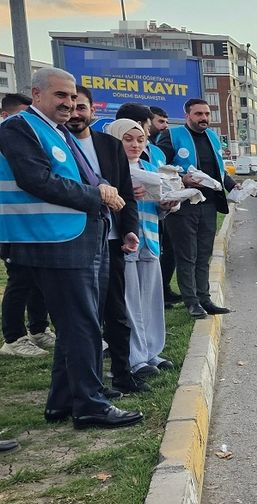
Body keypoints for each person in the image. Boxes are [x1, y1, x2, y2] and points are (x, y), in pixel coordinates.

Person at [0, 67, 143, 429]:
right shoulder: (20, 127)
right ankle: (90, 405)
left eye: (72, 97)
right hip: (51, 239)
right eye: (60, 96)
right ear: (36, 95)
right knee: (82, 325)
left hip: (75, 234)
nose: (68, 104)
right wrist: (96, 195)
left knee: (75, 324)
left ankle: (63, 401)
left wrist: (101, 193)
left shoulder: (55, 131)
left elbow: (75, 178)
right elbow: (36, 180)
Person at [67, 86, 151, 395]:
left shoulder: (108, 145)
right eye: (70, 106)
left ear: (92, 111)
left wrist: (130, 229)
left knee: (116, 311)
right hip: (74, 240)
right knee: (84, 316)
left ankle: (122, 373)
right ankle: (91, 384)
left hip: (112, 238)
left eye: (81, 107)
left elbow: (125, 193)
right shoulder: (57, 143)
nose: (75, 112)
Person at [107, 118, 176, 381]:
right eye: (128, 139)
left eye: (140, 140)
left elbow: (158, 205)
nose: (135, 145)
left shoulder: (149, 168)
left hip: (150, 240)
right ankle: (134, 357)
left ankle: (152, 351)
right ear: (116, 139)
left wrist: (167, 205)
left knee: (151, 299)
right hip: (124, 241)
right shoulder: (111, 169)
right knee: (129, 301)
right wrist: (125, 193)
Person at [157, 98, 237, 319]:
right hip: (183, 206)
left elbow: (218, 171)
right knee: (187, 255)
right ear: (187, 116)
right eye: (198, 114)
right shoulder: (172, 136)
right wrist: (183, 179)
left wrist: (233, 186)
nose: (204, 118)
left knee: (204, 254)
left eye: (207, 114)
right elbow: (159, 169)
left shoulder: (212, 137)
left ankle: (205, 299)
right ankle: (191, 302)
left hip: (209, 204)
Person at [0, 93, 54, 358]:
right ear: (5, 115)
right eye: (22, 115)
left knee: (38, 278)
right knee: (19, 280)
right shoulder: (6, 136)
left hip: (32, 222)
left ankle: (38, 329)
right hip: (10, 225)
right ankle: (13, 338)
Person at [149, 106, 181, 305]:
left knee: (170, 249)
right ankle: (156, 294)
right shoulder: (143, 147)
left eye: (166, 122)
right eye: (160, 121)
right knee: (156, 253)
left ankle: (164, 289)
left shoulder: (156, 149)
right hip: (146, 212)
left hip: (163, 208)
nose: (164, 126)